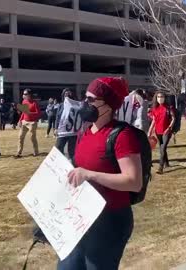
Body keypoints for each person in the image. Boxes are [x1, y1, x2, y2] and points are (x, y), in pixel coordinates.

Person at [61, 77, 142, 270]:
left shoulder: (122, 135)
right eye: (85, 98)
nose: (85, 103)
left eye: (91, 100)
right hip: (82, 218)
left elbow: (133, 181)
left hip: (110, 220)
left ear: (108, 105)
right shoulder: (85, 132)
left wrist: (90, 174)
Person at [148, 91, 175, 174]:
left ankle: (160, 167)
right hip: (157, 131)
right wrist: (150, 131)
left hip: (166, 131)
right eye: (158, 97)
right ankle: (166, 163)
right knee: (162, 148)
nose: (160, 98)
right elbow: (154, 121)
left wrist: (169, 128)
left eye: (162, 96)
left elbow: (174, 118)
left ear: (165, 98)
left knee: (163, 148)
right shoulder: (154, 109)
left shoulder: (168, 108)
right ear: (156, 98)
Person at [54, 88, 80, 162]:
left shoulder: (77, 105)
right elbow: (58, 117)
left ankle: (72, 164)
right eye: (65, 94)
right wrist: (56, 128)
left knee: (72, 150)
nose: (67, 95)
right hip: (62, 131)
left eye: (69, 94)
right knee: (58, 147)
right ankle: (60, 162)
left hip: (73, 132)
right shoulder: (61, 105)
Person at [16, 89, 41, 158]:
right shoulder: (24, 101)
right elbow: (23, 112)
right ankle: (19, 152)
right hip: (24, 122)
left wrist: (30, 113)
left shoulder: (34, 103)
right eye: (23, 94)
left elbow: (38, 113)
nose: (23, 95)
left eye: (25, 94)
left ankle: (36, 152)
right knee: (20, 137)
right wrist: (20, 120)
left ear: (29, 95)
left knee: (32, 138)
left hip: (32, 123)